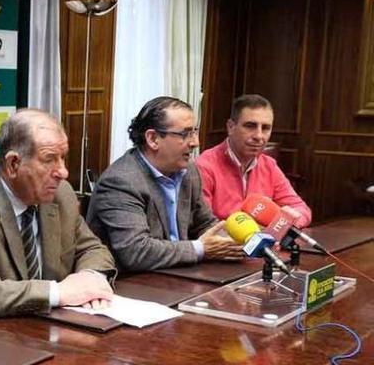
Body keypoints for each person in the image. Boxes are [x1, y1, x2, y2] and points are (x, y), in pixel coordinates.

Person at [0, 109, 116, 317]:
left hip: (46, 329)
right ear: (13, 164)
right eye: (49, 159)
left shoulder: (61, 195)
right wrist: (58, 292)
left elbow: (92, 249)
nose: (63, 172)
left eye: (63, 158)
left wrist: (89, 278)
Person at [86, 96, 244, 272]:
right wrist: (200, 248)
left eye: (194, 132)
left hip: (179, 273)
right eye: (185, 134)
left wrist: (239, 242)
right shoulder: (121, 181)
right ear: (153, 139)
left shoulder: (188, 170)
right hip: (133, 283)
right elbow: (136, 252)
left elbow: (204, 223)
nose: (195, 143)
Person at [196, 94, 312, 227]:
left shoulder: (269, 165)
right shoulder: (204, 166)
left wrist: (281, 224)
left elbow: (301, 210)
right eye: (250, 126)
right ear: (231, 127)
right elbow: (204, 226)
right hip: (224, 245)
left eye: (266, 128)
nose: (259, 136)